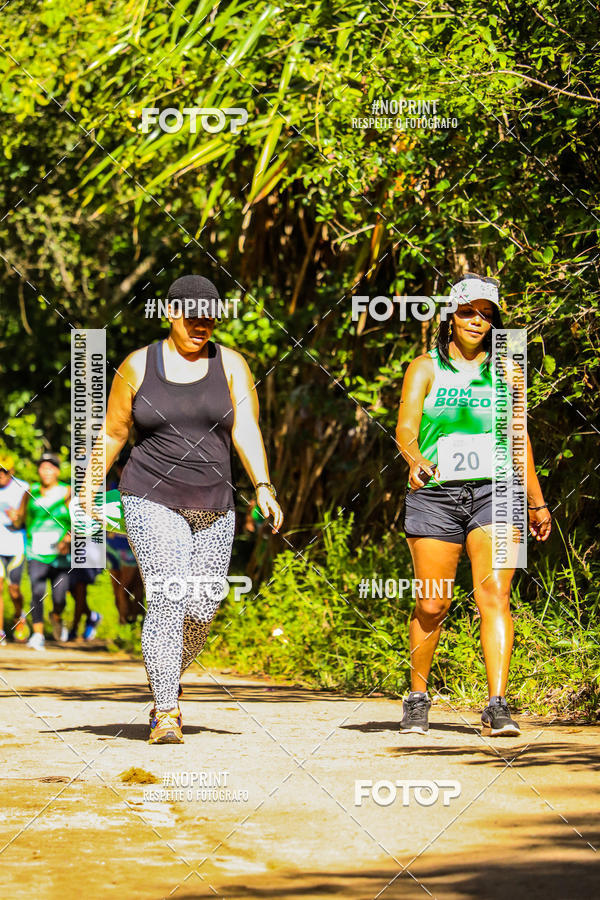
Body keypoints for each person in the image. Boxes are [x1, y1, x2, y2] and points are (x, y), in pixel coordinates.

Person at [80, 274, 283, 744]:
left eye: (209, 317)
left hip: (215, 499)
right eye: (192, 316)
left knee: (202, 605)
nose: (201, 325)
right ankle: (166, 709)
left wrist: (264, 485)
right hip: (149, 494)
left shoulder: (232, 364)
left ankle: (165, 675)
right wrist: (89, 485)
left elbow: (246, 429)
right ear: (170, 314)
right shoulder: (138, 365)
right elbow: (114, 433)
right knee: (169, 595)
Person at [395, 274, 551, 737]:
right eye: (468, 311)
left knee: (495, 595)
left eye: (486, 314)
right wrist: (415, 457)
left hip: (496, 492)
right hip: (437, 493)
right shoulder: (424, 367)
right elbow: (405, 427)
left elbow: (519, 438)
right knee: (432, 603)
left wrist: (537, 504)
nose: (476, 321)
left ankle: (497, 705)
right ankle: (418, 697)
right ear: (451, 316)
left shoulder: (508, 370)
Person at [16, 453, 71, 651]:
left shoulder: (67, 491)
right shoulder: (31, 490)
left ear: (57, 471)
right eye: (42, 467)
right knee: (37, 591)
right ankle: (38, 634)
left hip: (61, 553)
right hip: (35, 550)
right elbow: (20, 517)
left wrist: (68, 537)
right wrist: (15, 519)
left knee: (60, 597)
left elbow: (78, 520)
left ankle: (56, 616)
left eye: (50, 467)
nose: (45, 471)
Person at [106, 449, 144, 626]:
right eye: (121, 467)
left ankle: (131, 622)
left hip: (133, 546)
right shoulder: (111, 488)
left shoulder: (142, 490)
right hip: (113, 545)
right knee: (117, 589)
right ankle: (125, 623)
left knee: (130, 587)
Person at [0, 453, 30, 644]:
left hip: (16, 546)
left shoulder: (24, 488)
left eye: (3, 471)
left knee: (14, 589)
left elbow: (27, 519)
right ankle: (1, 631)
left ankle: (19, 617)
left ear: (11, 471)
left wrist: (17, 518)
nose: (0, 475)